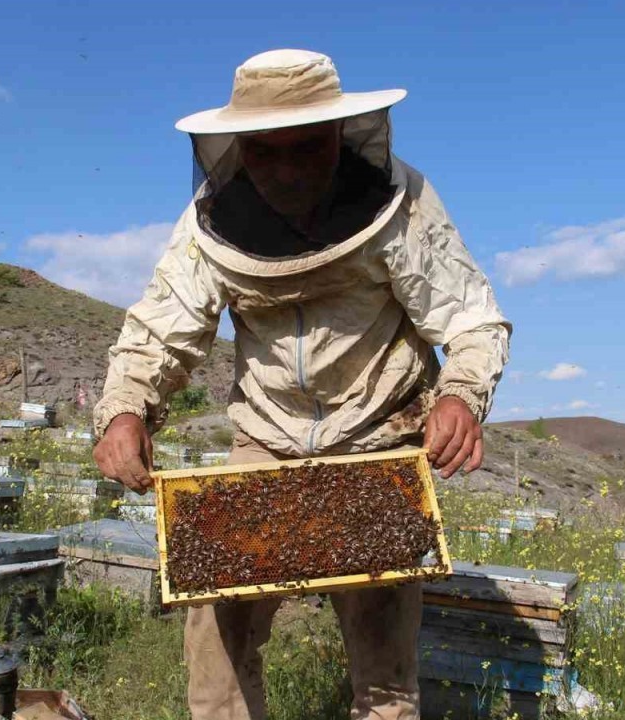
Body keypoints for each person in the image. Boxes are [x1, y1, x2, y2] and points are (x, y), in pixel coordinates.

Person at [92, 48, 510, 720]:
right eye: (265, 152)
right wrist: (125, 410)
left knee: (385, 663)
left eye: (307, 148)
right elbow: (160, 333)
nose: (286, 170)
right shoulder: (208, 227)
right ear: (237, 148)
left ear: (341, 136)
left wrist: (461, 394)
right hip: (266, 442)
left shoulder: (400, 205)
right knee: (216, 631)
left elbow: (473, 320)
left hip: (379, 438)